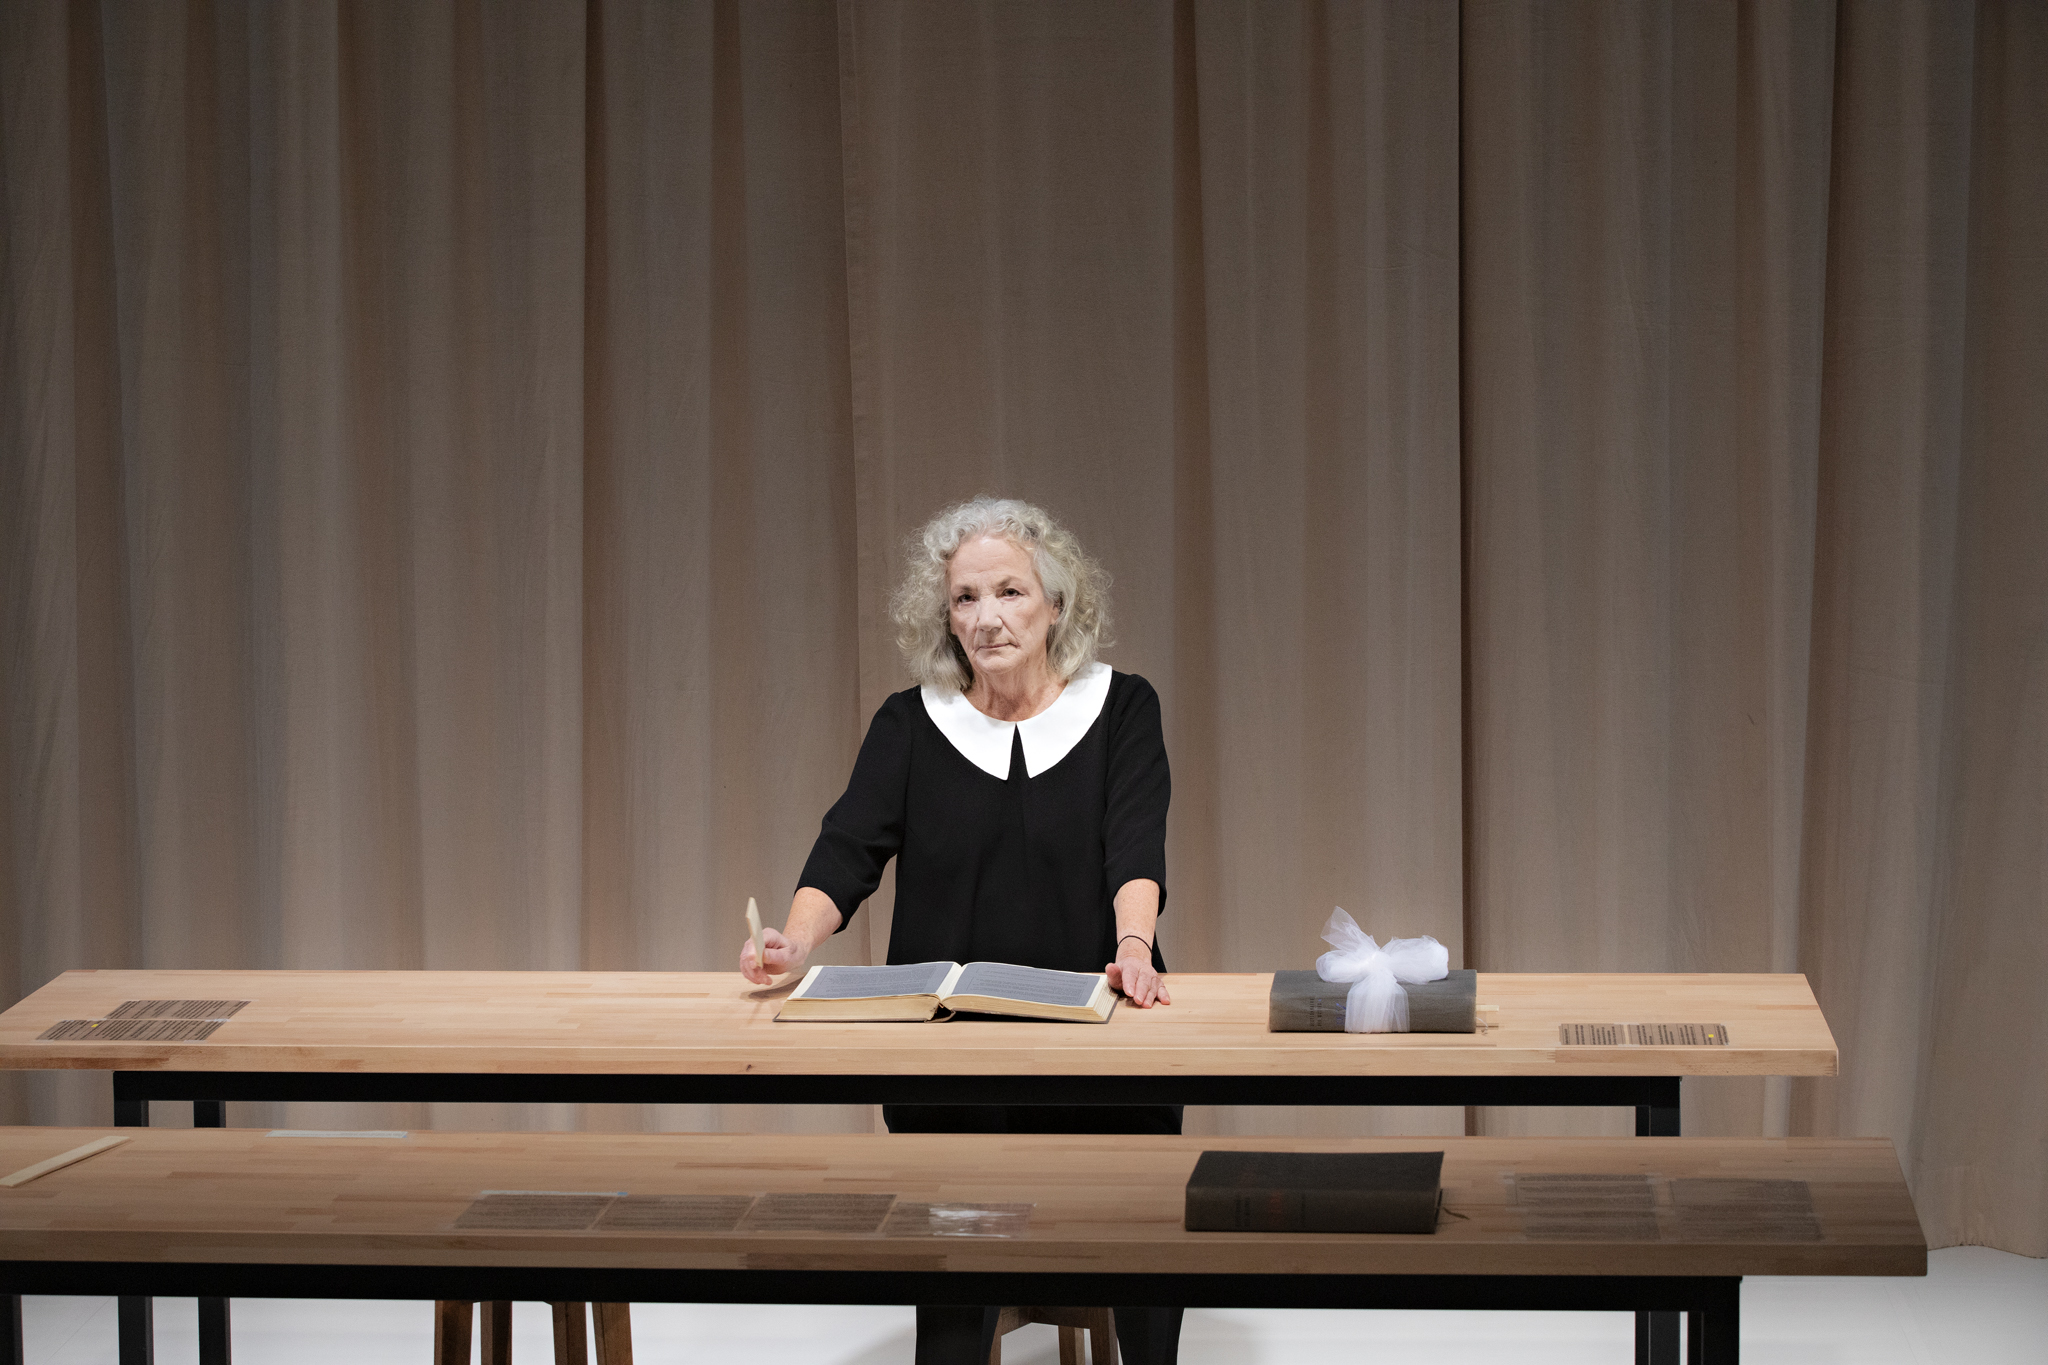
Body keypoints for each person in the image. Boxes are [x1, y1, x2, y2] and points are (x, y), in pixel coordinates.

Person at [739, 495, 1183, 1363]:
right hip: (951, 1059)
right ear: (943, 617)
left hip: (1098, 1049)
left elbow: (1137, 844)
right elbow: (846, 850)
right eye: (965, 599)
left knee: (1145, 1228)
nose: (987, 618)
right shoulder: (911, 722)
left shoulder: (1123, 706)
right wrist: (794, 940)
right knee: (951, 1264)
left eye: (1010, 592)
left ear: (1056, 603)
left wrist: (1134, 947)